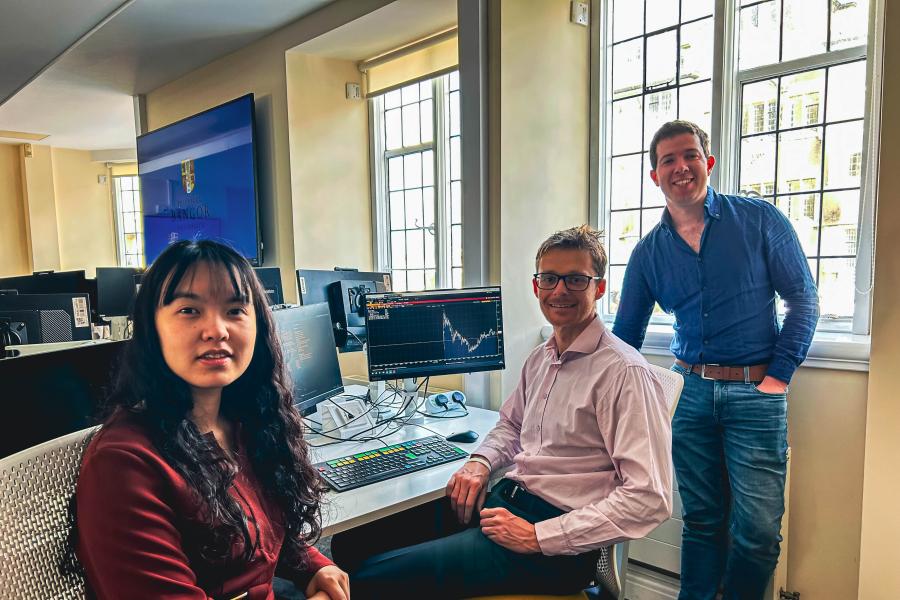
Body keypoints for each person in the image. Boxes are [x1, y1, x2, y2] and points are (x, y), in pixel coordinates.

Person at [335, 225, 672, 599]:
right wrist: (480, 462)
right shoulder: (542, 358)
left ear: (599, 288)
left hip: (556, 539)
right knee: (351, 544)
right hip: (507, 501)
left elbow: (649, 498)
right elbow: (511, 425)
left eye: (576, 279)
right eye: (550, 278)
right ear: (536, 287)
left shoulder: (624, 373)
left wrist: (538, 537)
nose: (560, 290)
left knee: (368, 579)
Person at [74, 240, 350, 600]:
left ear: (258, 327)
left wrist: (315, 565)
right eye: (189, 310)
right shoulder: (123, 463)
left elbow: (258, 533)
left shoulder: (244, 424)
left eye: (235, 310)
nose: (216, 330)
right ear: (152, 328)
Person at [612, 120, 820, 600]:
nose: (680, 167)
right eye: (668, 160)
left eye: (689, 155)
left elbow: (803, 301)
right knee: (702, 521)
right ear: (654, 176)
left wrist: (778, 377)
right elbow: (625, 339)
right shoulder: (648, 253)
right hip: (690, 395)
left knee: (759, 533)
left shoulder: (760, 220)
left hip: (757, 394)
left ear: (708, 162)